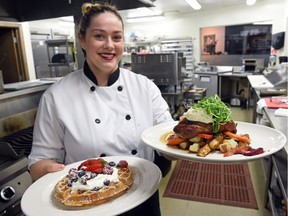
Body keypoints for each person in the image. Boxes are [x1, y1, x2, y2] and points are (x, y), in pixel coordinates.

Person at [28, 2, 174, 215]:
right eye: (99, 36)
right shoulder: (56, 96)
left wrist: (177, 148)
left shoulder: (144, 87)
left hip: (142, 198)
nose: (109, 45)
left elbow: (166, 137)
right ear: (82, 39)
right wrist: (48, 170)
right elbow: (40, 162)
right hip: (86, 204)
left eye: (116, 37)